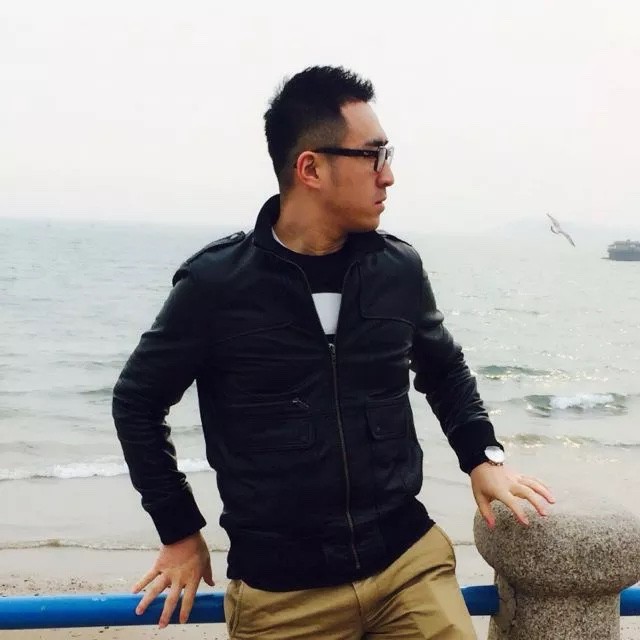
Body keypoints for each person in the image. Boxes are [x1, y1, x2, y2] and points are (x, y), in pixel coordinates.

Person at [112, 65, 554, 639]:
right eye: (373, 156)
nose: (388, 175)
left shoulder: (397, 268)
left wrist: (483, 458)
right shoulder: (216, 285)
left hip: (407, 565)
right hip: (284, 594)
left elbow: (444, 369)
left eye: (388, 155)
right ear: (311, 168)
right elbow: (137, 402)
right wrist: (178, 531)